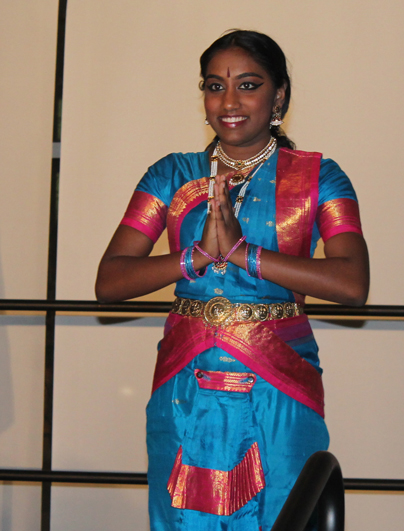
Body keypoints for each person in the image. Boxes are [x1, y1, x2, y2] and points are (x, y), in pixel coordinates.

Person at [96, 29, 369, 531]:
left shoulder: (319, 178)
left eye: (248, 85)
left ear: (279, 95)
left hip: (280, 383)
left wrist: (247, 255)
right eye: (214, 85)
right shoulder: (169, 175)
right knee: (180, 518)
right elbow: (109, 282)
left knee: (283, 514)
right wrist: (193, 257)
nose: (229, 101)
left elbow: (352, 284)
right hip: (184, 383)